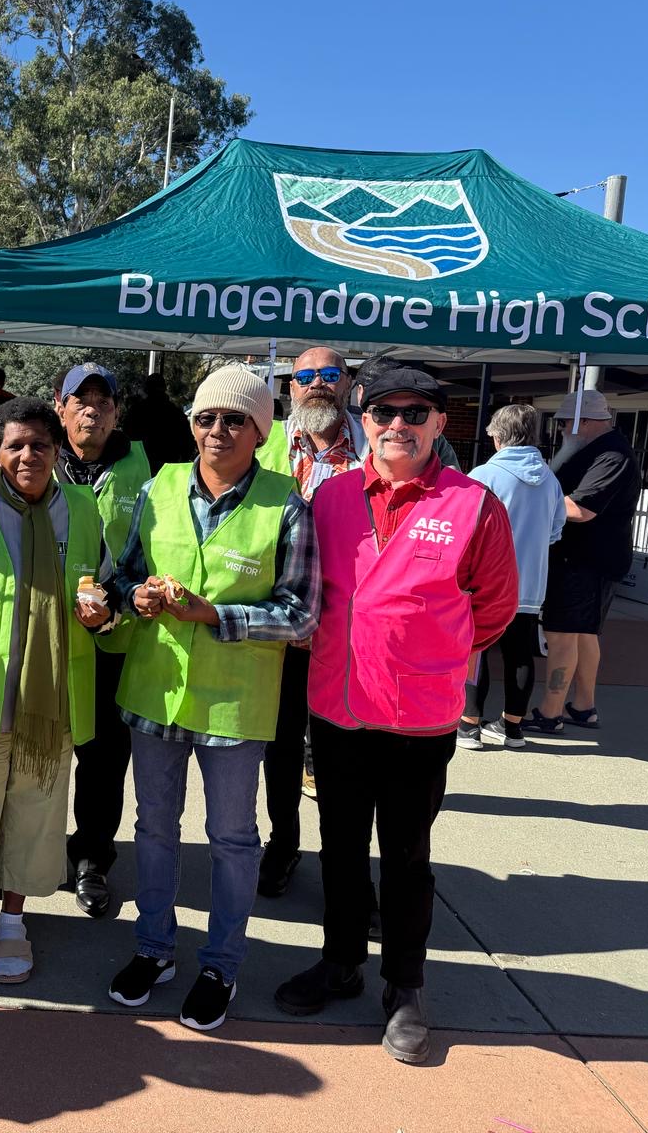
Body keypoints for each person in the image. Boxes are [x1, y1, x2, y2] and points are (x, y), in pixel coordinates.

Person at [274, 366, 516, 1065]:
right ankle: (341, 961)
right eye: (383, 413)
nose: (397, 425)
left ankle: (405, 985)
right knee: (341, 848)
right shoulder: (332, 497)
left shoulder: (473, 504)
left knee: (407, 857)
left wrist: (427, 653)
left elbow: (496, 607)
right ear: (365, 420)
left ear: (440, 423)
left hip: (418, 719)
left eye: (415, 413)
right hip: (338, 709)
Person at [105, 367, 319, 1032]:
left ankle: (221, 963)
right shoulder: (159, 486)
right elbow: (124, 575)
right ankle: (154, 948)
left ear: (260, 432)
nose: (217, 431)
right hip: (157, 692)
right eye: (206, 418)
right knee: (153, 829)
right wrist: (136, 597)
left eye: (234, 420)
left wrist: (216, 616)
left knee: (231, 839)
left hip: (234, 703)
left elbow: (301, 615)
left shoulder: (287, 505)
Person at [0, 398, 106, 983]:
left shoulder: (82, 509)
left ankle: (12, 921)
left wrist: (102, 614)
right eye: (15, 445)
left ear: (57, 451)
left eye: (40, 445)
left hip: (51, 701)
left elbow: (107, 590)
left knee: (36, 817)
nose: (28, 455)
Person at [258, 346, 362, 898]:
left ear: (347, 384)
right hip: (281, 634)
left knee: (342, 758)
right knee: (279, 752)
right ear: (290, 387)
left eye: (328, 374)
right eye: (305, 376)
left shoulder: (374, 447)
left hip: (346, 634)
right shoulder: (265, 445)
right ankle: (283, 844)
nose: (316, 383)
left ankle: (346, 867)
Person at [50, 362, 152, 917]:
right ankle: (30, 851)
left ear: (116, 412)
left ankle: (92, 856)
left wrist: (119, 600)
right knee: (37, 748)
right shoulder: (38, 453)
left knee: (104, 760)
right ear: (61, 407)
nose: (92, 410)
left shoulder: (145, 464)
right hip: (43, 634)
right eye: (80, 400)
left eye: (103, 401)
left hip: (114, 638)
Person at [524, 390, 641, 736]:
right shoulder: (596, 450)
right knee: (584, 634)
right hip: (587, 559)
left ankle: (550, 713)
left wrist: (527, 502)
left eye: (564, 422)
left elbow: (581, 509)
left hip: (584, 561)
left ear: (583, 422)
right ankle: (583, 706)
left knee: (562, 635)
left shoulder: (611, 455)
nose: (560, 429)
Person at [458, 404, 566, 751]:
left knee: (477, 651)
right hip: (531, 582)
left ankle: (469, 725)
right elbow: (556, 531)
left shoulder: (484, 475)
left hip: (487, 581)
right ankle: (513, 727)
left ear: (498, 436)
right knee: (520, 654)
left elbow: (465, 527)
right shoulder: (550, 479)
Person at [120, 373, 194, 468]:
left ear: (146, 389)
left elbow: (127, 437)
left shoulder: (136, 411)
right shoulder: (175, 412)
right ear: (164, 388)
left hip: (143, 466)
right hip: (167, 466)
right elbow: (187, 444)